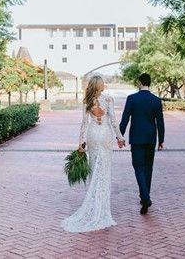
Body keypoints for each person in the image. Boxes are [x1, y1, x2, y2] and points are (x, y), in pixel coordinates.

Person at [61, 76, 126, 232]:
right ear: (100, 86)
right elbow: (113, 122)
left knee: (94, 169)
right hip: (105, 136)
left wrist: (81, 143)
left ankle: (93, 203)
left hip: (92, 135)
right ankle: (102, 209)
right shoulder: (109, 100)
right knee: (104, 171)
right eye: (102, 83)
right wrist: (120, 137)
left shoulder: (86, 101)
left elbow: (84, 124)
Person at [119, 73, 165, 215]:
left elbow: (125, 118)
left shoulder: (132, 98)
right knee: (148, 168)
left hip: (137, 139)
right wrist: (161, 140)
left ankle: (145, 197)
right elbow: (160, 122)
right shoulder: (156, 100)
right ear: (149, 83)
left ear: (139, 82)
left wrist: (120, 136)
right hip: (151, 139)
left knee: (138, 167)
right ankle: (144, 197)